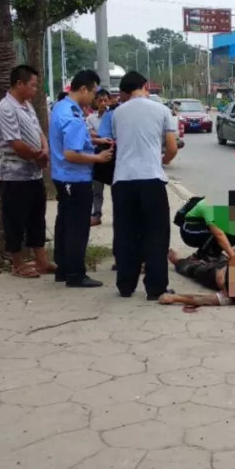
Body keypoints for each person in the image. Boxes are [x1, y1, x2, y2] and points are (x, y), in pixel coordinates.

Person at [110, 71, 179, 299]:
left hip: (123, 180)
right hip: (151, 178)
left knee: (126, 233)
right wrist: (163, 160)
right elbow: (171, 148)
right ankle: (155, 288)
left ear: (125, 90)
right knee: (156, 234)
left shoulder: (117, 113)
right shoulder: (161, 110)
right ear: (145, 86)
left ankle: (125, 285)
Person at [50, 70, 114, 288]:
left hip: (62, 176)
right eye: (94, 92)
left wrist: (95, 139)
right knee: (77, 227)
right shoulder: (74, 116)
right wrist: (98, 157)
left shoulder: (62, 107)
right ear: (84, 89)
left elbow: (73, 140)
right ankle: (76, 274)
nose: (95, 98)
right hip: (74, 178)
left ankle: (63, 268)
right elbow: (71, 153)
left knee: (65, 224)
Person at [0, 65, 55, 279]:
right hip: (14, 175)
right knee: (15, 221)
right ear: (19, 84)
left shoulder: (27, 106)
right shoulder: (5, 108)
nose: (35, 89)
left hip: (33, 174)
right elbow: (16, 143)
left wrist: (45, 149)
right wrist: (39, 156)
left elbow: (39, 132)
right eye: (32, 84)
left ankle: (41, 261)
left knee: (37, 218)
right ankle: (18, 264)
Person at [176, 195, 235, 260]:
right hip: (189, 232)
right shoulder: (209, 205)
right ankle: (202, 254)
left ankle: (214, 253)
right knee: (219, 231)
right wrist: (233, 257)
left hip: (205, 228)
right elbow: (219, 235)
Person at [86, 89, 110, 226]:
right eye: (100, 100)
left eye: (105, 100)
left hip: (112, 156)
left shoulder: (114, 117)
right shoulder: (90, 119)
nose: (103, 103)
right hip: (97, 156)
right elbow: (91, 135)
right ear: (95, 102)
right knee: (97, 188)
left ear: (110, 101)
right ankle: (96, 214)